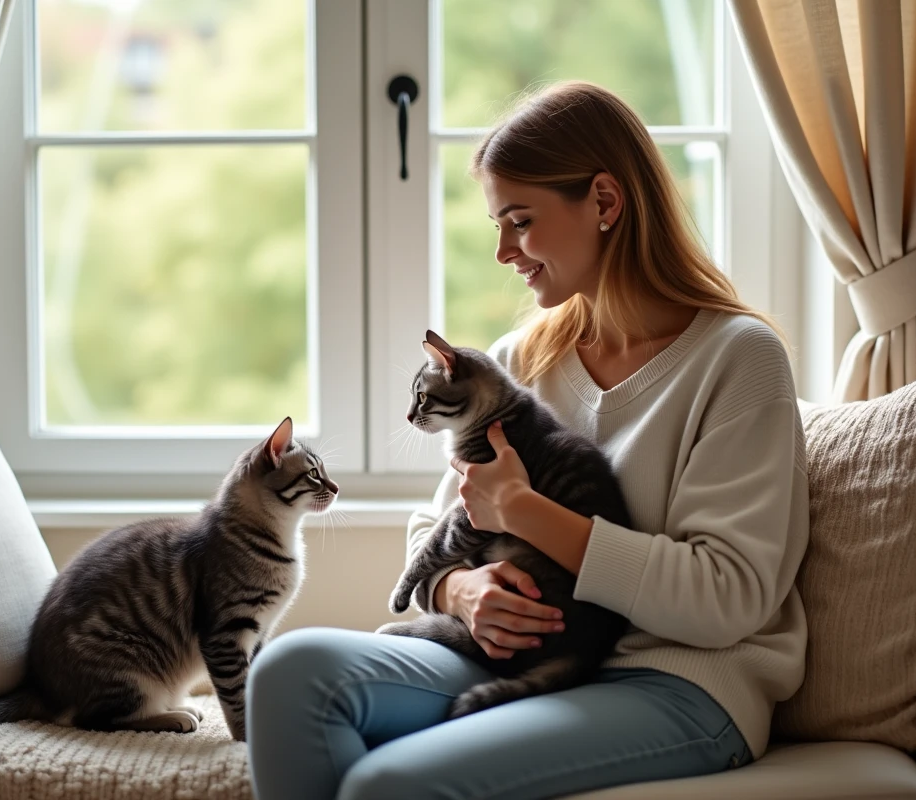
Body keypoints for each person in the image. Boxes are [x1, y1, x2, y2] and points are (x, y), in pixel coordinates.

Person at [246, 80, 809, 800]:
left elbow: (729, 597)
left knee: (387, 785)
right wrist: (459, 589)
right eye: (496, 224)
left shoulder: (739, 359)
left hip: (675, 682)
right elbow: (438, 522)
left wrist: (527, 512)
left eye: (520, 221)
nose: (503, 252)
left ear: (605, 203)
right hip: (509, 654)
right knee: (288, 672)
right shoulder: (519, 362)